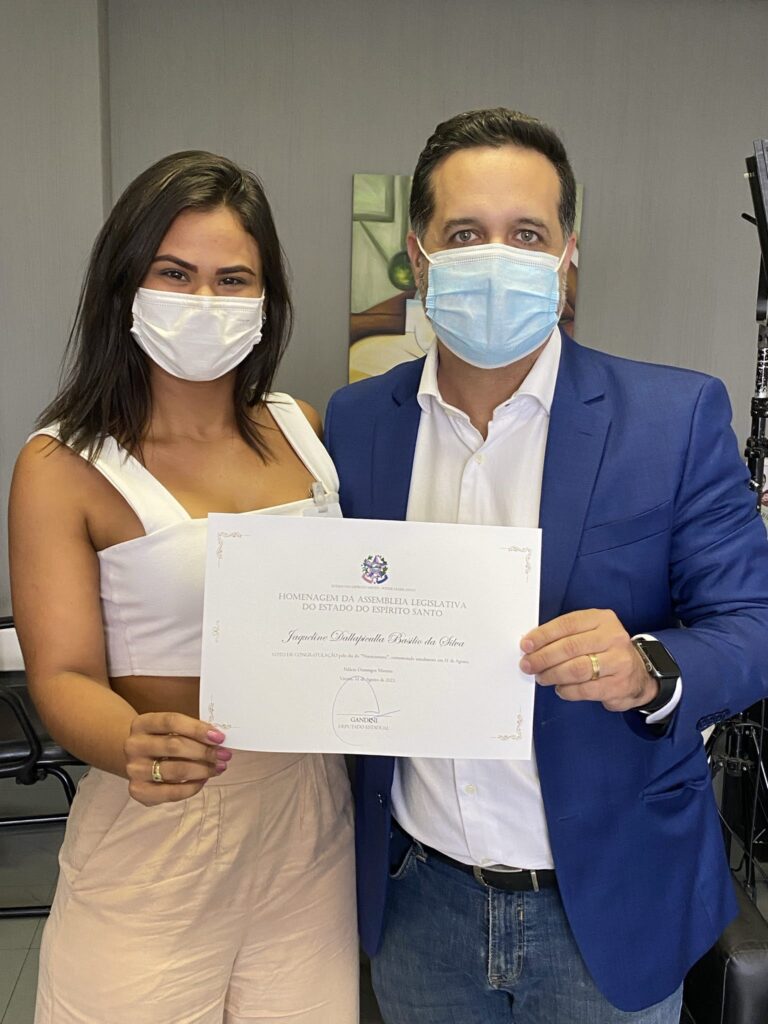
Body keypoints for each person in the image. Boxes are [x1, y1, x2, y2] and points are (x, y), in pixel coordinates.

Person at [324, 108, 768, 1023]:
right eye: (465, 234)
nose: (497, 256)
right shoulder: (357, 422)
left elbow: (754, 623)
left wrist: (649, 666)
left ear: (568, 253)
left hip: (607, 901)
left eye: (526, 233)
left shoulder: (672, 417)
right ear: (418, 257)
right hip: (419, 900)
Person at [9, 151, 357, 1024]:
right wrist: (131, 741)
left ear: (266, 299)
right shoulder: (64, 464)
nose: (204, 300)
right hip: (159, 814)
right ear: (125, 284)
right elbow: (62, 674)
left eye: (232, 279)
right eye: (174, 273)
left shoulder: (305, 431)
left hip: (311, 816)